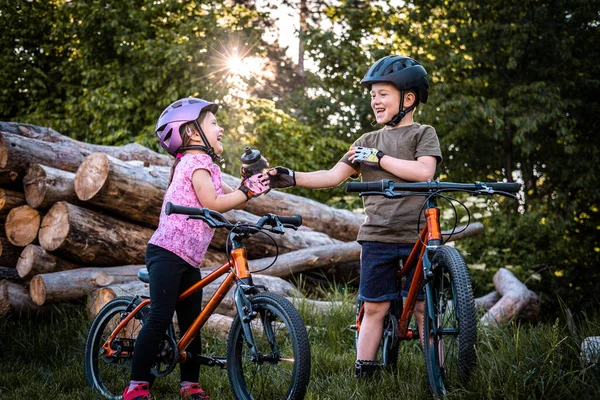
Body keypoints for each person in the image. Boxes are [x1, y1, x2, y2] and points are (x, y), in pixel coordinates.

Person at [269, 55, 442, 378]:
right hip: (377, 235)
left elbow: (423, 171)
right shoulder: (365, 142)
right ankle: (365, 369)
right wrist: (292, 176)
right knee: (375, 306)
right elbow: (332, 176)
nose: (375, 100)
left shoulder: (422, 134)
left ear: (408, 98)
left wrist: (381, 159)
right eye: (372, 95)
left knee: (422, 307)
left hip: (418, 236)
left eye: (382, 94)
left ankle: (440, 371)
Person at [123, 97, 270, 400]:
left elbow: (234, 197)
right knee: (161, 316)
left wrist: (257, 185)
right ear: (191, 132)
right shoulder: (193, 163)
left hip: (189, 259)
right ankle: (136, 385)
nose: (221, 128)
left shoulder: (210, 167)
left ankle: (189, 384)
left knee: (193, 322)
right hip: (166, 252)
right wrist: (245, 191)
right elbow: (214, 204)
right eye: (214, 123)